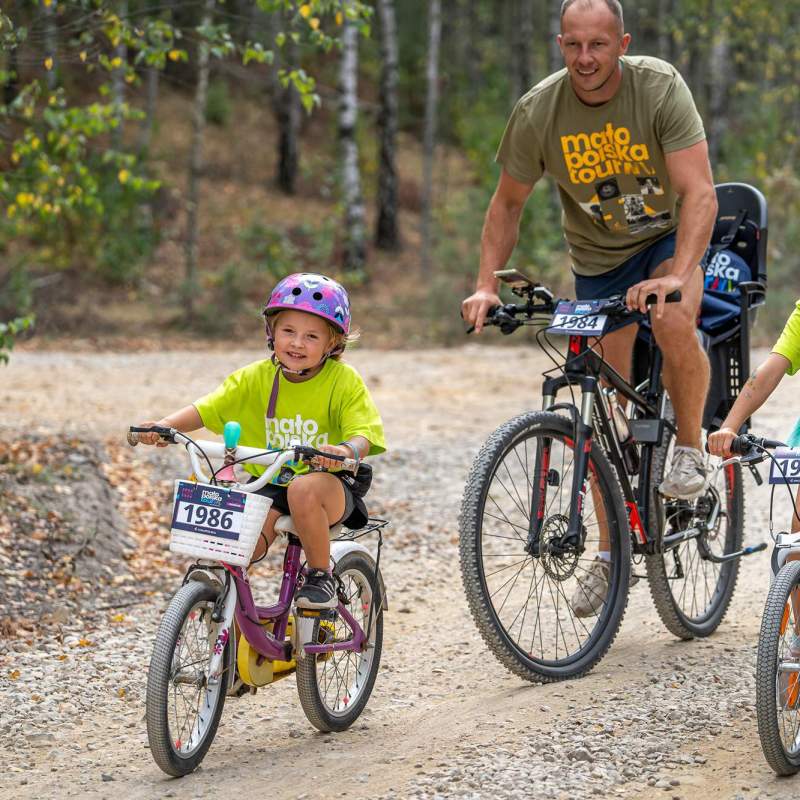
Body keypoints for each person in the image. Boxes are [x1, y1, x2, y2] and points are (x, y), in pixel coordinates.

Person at [461, 0, 718, 615]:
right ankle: (609, 556)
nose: (585, 58)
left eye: (598, 45)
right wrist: (486, 285)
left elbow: (699, 192)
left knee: (672, 315)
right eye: (573, 45)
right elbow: (506, 205)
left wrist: (680, 274)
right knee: (598, 405)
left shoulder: (658, 88)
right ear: (559, 44)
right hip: (599, 262)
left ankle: (688, 447)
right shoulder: (539, 110)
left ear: (621, 43)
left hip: (662, 240)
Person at [136, 273, 386, 609]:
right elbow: (208, 407)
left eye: (311, 336)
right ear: (271, 332)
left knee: (302, 489)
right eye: (288, 332)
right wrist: (164, 427)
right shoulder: (254, 378)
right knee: (240, 545)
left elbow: (363, 433)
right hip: (269, 482)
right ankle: (225, 608)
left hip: (328, 486)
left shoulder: (343, 381)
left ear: (332, 344)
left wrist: (342, 451)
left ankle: (321, 575)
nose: (297, 343)